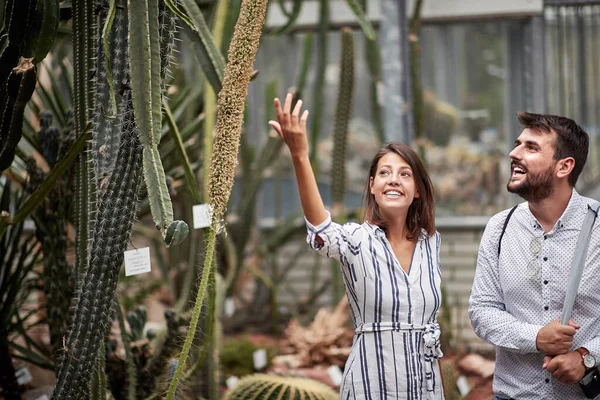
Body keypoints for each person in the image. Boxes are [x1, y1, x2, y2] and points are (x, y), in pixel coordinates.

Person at [269, 93, 445, 399]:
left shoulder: (431, 243)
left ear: (417, 190)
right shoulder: (355, 241)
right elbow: (320, 229)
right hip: (372, 383)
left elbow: (430, 331)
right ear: (372, 186)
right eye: (385, 173)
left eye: (405, 174)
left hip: (425, 388)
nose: (394, 180)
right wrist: (300, 156)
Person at [469, 111, 600, 400]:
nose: (513, 153)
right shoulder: (499, 228)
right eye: (518, 144)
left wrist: (586, 357)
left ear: (564, 167)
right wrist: (537, 337)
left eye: (531, 147)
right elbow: (482, 311)